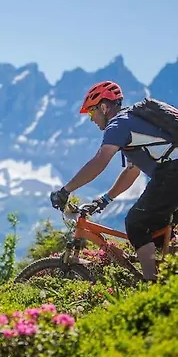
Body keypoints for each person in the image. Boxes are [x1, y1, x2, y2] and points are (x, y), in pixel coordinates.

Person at [50, 80, 178, 282]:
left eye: (92, 112)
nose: (92, 119)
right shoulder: (133, 123)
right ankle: (169, 283)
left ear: (103, 107)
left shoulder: (118, 124)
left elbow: (100, 162)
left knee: (137, 223)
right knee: (159, 235)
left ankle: (152, 290)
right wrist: (105, 200)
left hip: (172, 172)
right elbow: (131, 171)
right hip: (171, 173)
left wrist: (65, 191)